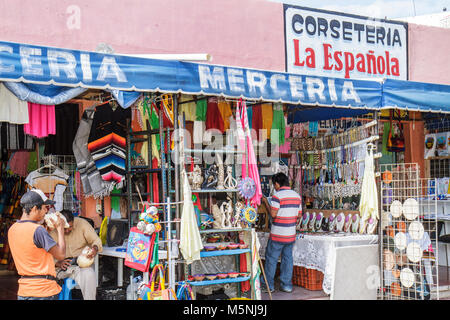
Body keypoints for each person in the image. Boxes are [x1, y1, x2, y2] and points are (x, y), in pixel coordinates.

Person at [8, 189, 66, 300]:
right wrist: (60, 229)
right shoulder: (38, 230)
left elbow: (32, 249)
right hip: (43, 291)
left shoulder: (12, 229)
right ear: (35, 208)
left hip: (25, 291)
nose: (46, 212)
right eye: (45, 208)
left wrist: (47, 232)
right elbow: (61, 254)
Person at [261, 172, 302, 293]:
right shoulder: (297, 196)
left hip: (278, 234)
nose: (275, 187)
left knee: (271, 259)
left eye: (275, 185)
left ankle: (269, 286)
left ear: (277, 184)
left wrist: (266, 203)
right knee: (287, 259)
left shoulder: (277, 196)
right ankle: (286, 285)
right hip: (290, 234)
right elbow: (299, 215)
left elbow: (273, 214)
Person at [49, 210, 102, 300]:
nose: (67, 230)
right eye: (64, 228)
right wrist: (57, 263)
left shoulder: (82, 224)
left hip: (80, 266)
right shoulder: (52, 229)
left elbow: (96, 240)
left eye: (70, 227)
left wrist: (95, 248)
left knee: (89, 275)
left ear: (73, 222)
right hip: (59, 268)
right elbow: (45, 254)